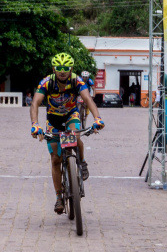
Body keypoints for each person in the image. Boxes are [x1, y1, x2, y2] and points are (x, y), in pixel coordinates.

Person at [29, 52, 105, 215]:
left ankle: (82, 162)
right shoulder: (46, 82)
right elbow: (35, 102)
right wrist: (35, 124)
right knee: (55, 159)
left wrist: (97, 118)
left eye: (65, 68)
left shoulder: (76, 81)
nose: (62, 71)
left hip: (71, 116)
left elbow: (88, 100)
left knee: (75, 137)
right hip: (53, 120)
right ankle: (58, 197)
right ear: (53, 68)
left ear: (71, 68)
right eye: (59, 68)